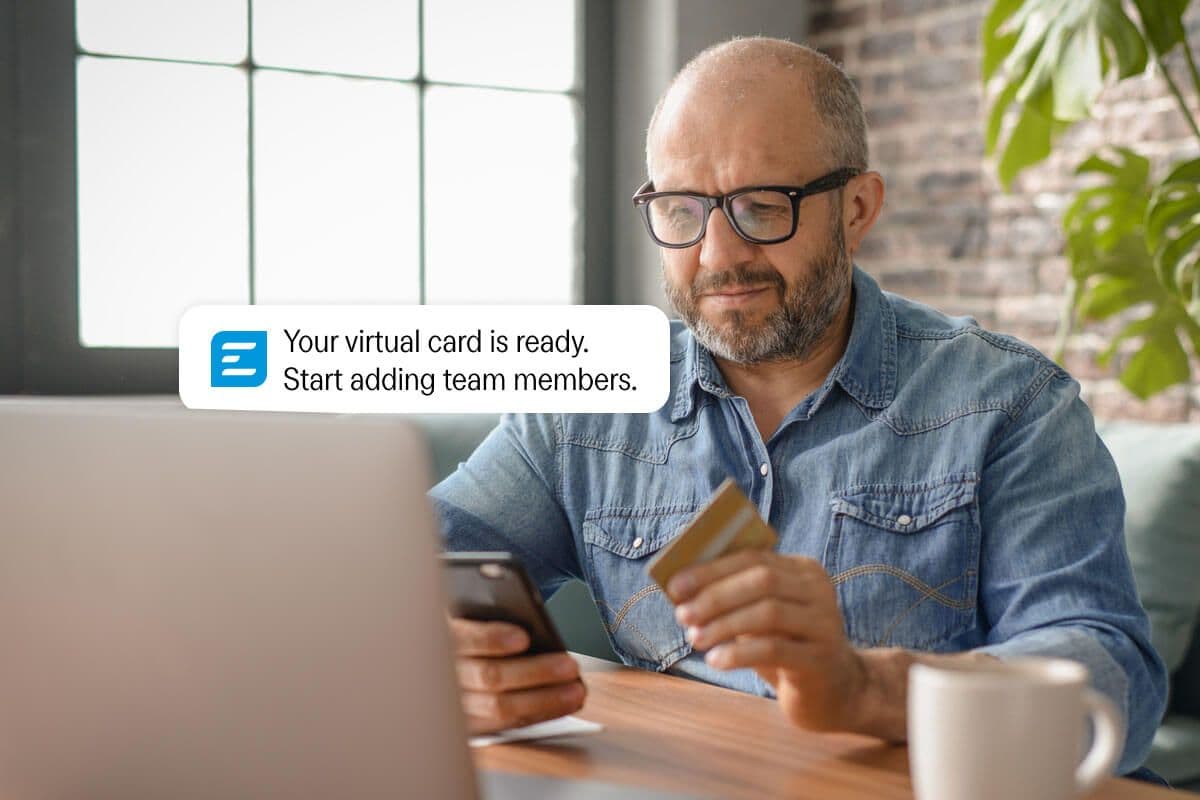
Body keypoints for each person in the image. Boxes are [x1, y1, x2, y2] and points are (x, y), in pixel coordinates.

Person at [431, 36, 1167, 775]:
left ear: (857, 208)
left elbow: (1110, 676)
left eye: (761, 205)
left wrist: (865, 687)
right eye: (682, 210)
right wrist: (444, 665)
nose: (718, 254)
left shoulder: (1011, 405)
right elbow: (409, 569)